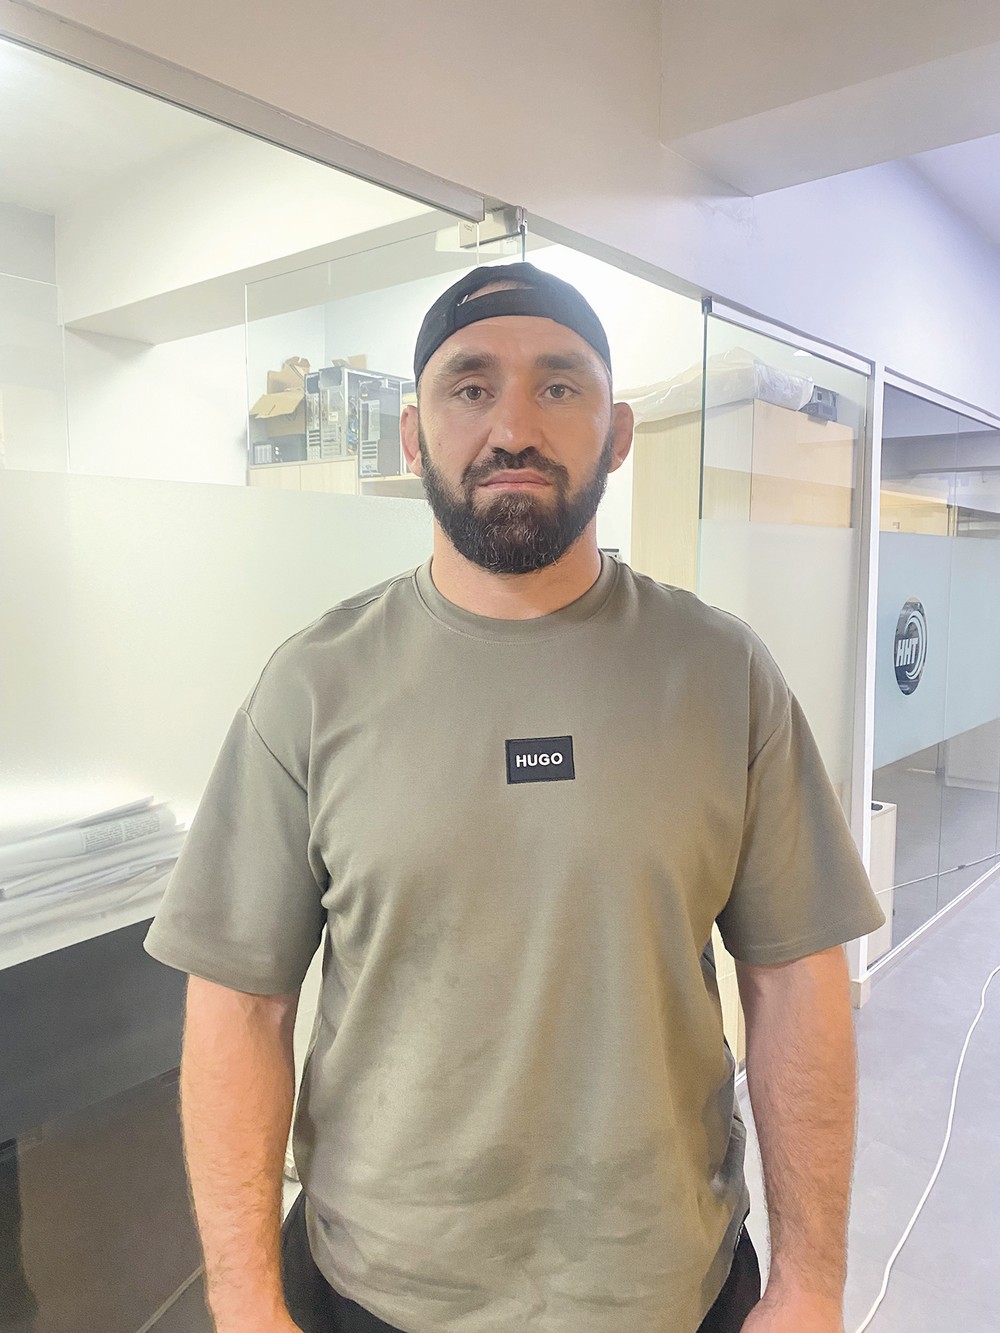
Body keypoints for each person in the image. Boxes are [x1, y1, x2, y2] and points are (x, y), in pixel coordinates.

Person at [145, 262, 884, 1333]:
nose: (513, 427)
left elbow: (796, 982)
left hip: (665, 1289)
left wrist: (811, 1281)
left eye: (559, 385)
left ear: (617, 434)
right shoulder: (313, 686)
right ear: (413, 437)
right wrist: (247, 1300)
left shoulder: (722, 676)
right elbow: (237, 1006)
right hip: (378, 1292)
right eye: (471, 386)